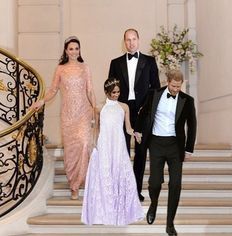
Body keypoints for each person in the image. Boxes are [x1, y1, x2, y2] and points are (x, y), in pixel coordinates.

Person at [31, 36, 96, 200]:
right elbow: (53, 89)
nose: (74, 51)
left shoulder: (85, 67)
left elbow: (90, 90)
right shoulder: (60, 68)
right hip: (68, 115)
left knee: (85, 143)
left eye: (77, 48)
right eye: (71, 49)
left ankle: (84, 181)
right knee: (71, 150)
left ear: (79, 50)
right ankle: (74, 186)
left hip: (84, 113)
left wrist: (95, 109)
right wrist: (41, 101)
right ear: (66, 51)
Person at [134, 69, 197, 236]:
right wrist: (138, 130)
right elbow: (143, 112)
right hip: (155, 142)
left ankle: (170, 224)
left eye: (179, 86)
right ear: (167, 82)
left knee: (175, 184)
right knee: (155, 182)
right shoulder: (154, 94)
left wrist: (189, 148)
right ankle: (153, 204)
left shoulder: (187, 100)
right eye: (174, 86)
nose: (176, 89)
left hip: (175, 146)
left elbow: (192, 125)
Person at [81, 78, 144, 225]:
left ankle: (121, 210)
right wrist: (93, 144)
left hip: (118, 144)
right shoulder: (98, 108)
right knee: (104, 174)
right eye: (113, 92)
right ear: (106, 92)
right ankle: (103, 212)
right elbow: (96, 128)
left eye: (118, 92)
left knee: (120, 173)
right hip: (104, 143)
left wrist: (135, 133)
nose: (116, 94)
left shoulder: (124, 107)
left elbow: (128, 128)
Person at [108, 28, 160, 201]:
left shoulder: (150, 61)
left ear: (138, 40)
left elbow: (155, 89)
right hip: (122, 111)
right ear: (124, 42)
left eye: (134, 39)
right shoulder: (115, 63)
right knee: (121, 151)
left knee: (140, 152)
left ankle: (135, 191)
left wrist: (146, 109)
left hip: (142, 112)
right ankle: (120, 190)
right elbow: (110, 90)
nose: (131, 43)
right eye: (128, 40)